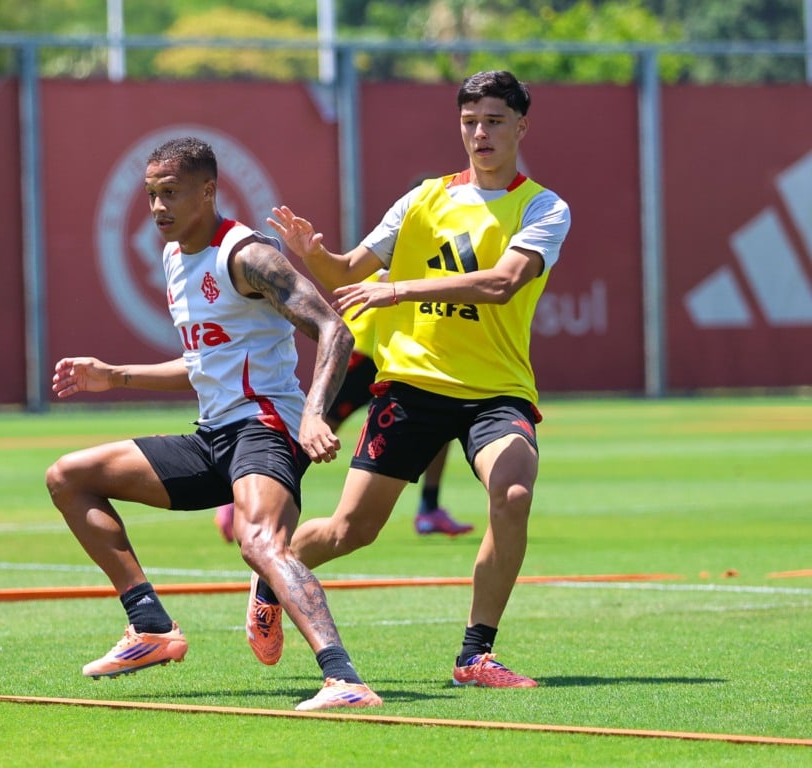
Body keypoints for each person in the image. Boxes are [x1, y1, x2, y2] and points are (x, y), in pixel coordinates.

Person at [247, 70, 571, 688]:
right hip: (412, 389)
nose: (480, 133)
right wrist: (310, 253)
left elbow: (501, 283)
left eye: (494, 121)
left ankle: (475, 655)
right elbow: (345, 269)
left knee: (514, 494)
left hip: (496, 392)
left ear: (522, 126)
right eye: (470, 122)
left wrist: (399, 288)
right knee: (350, 532)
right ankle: (272, 572)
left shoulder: (543, 207)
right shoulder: (421, 199)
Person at [46, 136, 382, 711]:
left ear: (208, 191)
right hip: (212, 436)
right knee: (68, 477)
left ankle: (344, 679)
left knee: (258, 543)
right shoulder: (175, 257)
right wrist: (115, 375)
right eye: (151, 195)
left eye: (170, 193)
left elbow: (335, 330)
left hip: (267, 427)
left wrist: (313, 415)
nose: (157, 208)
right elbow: (204, 363)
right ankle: (150, 628)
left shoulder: (247, 255)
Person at [213, 271, 474, 542]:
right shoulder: (404, 240)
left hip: (403, 354)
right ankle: (241, 491)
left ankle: (429, 508)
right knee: (313, 430)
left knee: (440, 422)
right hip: (363, 348)